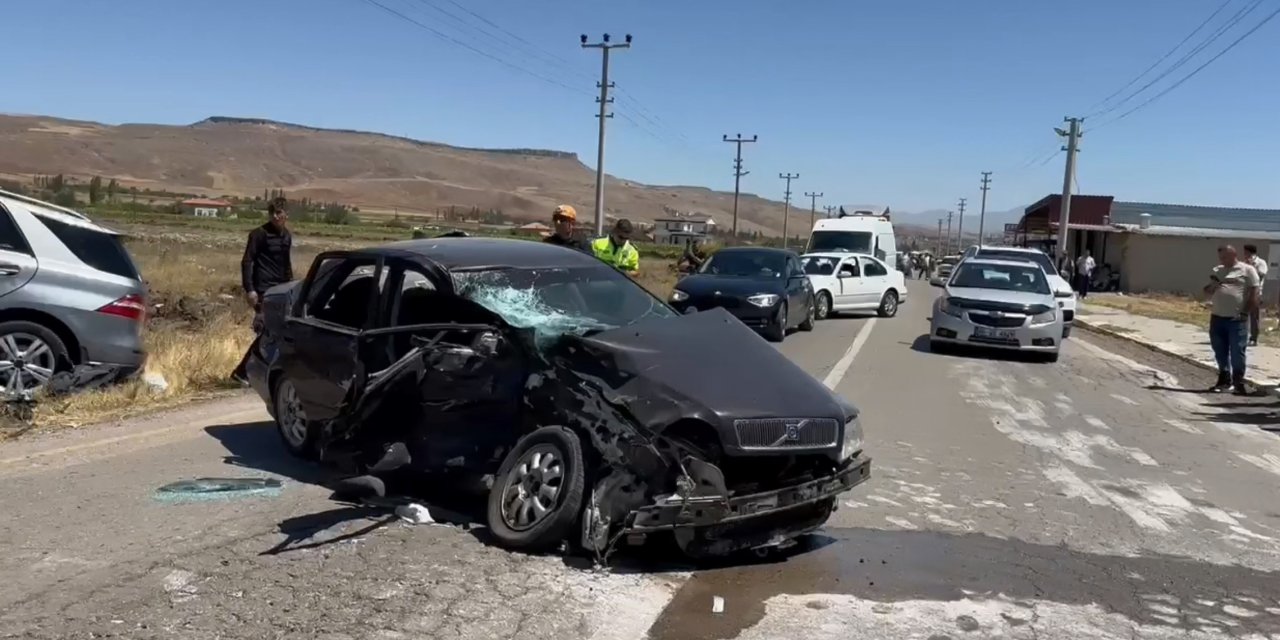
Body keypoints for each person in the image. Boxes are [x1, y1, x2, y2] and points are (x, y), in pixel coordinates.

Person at [231, 196, 293, 382]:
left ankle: (259, 373)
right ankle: (242, 373)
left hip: (281, 290)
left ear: (285, 214)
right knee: (266, 331)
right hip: (262, 290)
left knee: (276, 332)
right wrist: (249, 289)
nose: (275, 216)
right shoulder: (258, 234)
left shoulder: (287, 236)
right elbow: (247, 261)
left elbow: (286, 264)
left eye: (279, 213)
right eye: (272, 213)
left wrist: (291, 286)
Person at [1204, 245, 1259, 394]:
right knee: (1219, 350)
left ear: (1234, 255)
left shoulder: (1247, 270)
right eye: (1220, 257)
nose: (1222, 260)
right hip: (1217, 317)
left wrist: (1245, 313)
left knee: (1237, 351)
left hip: (1236, 319)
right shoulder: (1218, 270)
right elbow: (1207, 291)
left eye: (1225, 257)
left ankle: (1238, 382)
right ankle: (1224, 379)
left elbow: (1254, 293)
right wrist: (1212, 287)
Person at [1243, 244, 1269, 346]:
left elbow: (1261, 274)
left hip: (1256, 293)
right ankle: (1242, 336)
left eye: (1246, 252)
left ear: (1250, 252)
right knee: (1242, 316)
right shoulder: (1245, 263)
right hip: (1245, 292)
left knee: (1254, 317)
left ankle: (1254, 338)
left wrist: (1252, 266)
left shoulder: (1260, 262)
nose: (1244, 254)